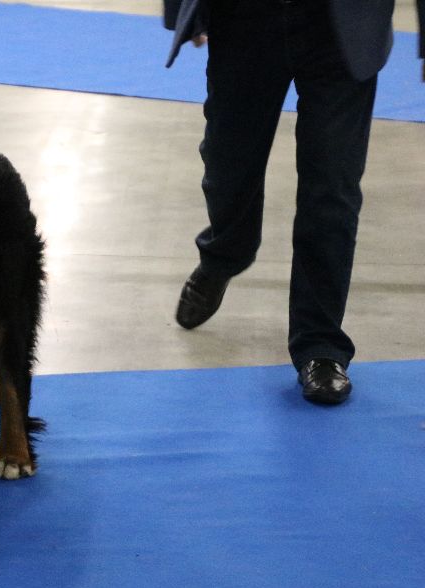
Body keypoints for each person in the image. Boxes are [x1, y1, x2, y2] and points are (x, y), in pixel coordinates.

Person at [164, 0, 423, 406]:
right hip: (244, 19)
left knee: (332, 187)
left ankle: (321, 347)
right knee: (228, 165)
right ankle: (225, 253)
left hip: (343, 26)